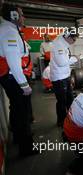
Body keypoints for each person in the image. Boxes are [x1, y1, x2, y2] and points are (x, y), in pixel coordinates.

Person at [0, 3, 37, 156]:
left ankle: (18, 137)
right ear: (14, 16)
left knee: (16, 109)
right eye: (21, 14)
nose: (24, 17)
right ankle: (26, 148)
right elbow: (14, 63)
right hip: (14, 79)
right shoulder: (8, 32)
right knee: (21, 112)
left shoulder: (10, 30)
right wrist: (24, 85)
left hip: (12, 78)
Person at [50, 30, 78, 127]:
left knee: (70, 98)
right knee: (62, 101)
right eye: (73, 40)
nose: (74, 42)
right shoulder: (58, 45)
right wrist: (75, 59)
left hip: (65, 76)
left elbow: (65, 61)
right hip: (59, 78)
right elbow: (61, 63)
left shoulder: (63, 42)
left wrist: (70, 76)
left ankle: (70, 119)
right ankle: (61, 121)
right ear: (68, 37)